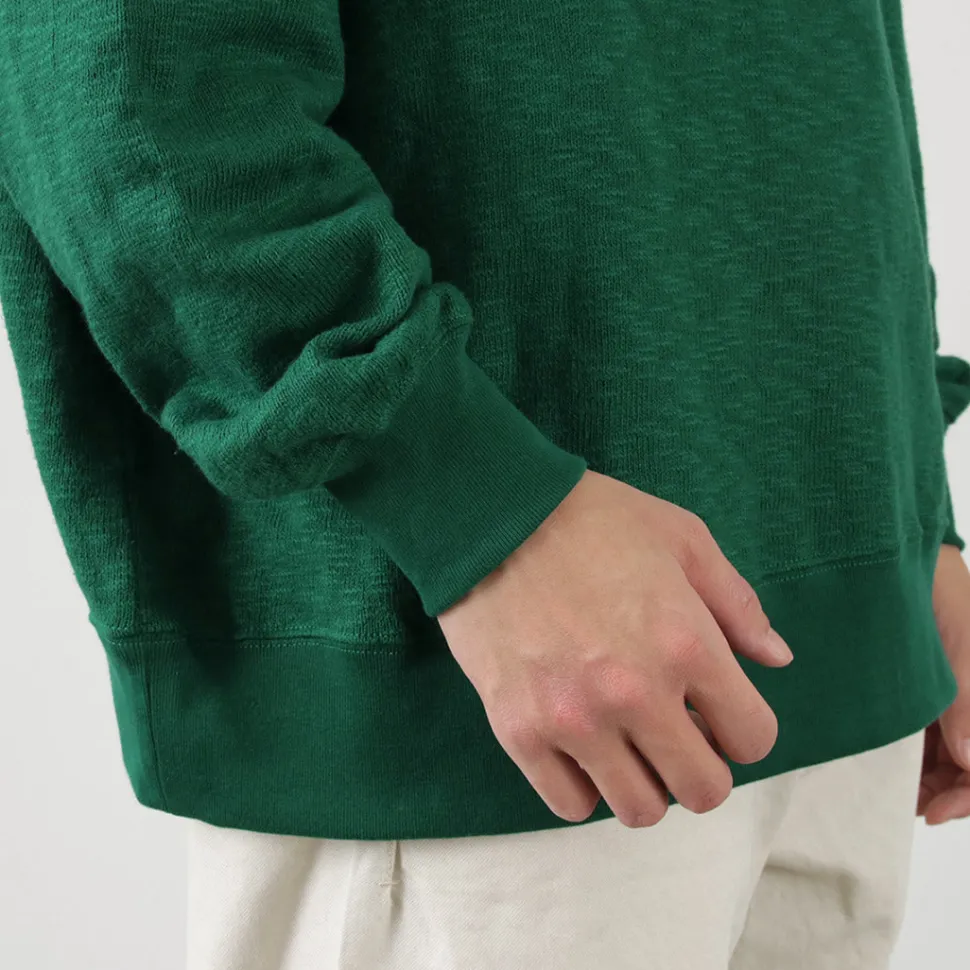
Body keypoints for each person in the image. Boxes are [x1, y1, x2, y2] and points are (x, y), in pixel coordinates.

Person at [1, 1, 968, 967]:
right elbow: (135, 94)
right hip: (486, 678)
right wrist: (473, 501)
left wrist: (916, 509)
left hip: (856, 662)